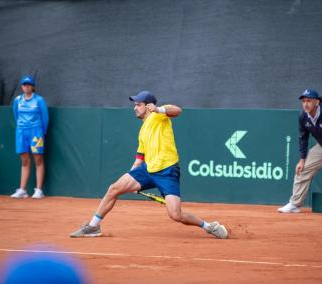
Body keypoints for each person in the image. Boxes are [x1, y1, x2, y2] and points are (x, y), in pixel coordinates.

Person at [70, 90, 228, 239]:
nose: (135, 108)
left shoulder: (158, 116)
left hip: (167, 171)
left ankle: (208, 226)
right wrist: (130, 179)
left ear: (148, 105)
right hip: (147, 170)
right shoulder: (143, 130)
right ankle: (93, 226)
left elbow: (178, 110)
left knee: (176, 215)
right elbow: (139, 159)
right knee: (114, 188)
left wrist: (159, 109)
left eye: (138, 104)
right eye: (135, 105)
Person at [278, 89, 322, 213]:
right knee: (302, 169)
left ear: (317, 102)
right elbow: (303, 138)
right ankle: (295, 204)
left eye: (309, 101)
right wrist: (302, 160)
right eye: (303, 101)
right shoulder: (303, 116)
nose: (305, 104)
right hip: (321, 146)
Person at [10, 76, 49, 199]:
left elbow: (45, 118)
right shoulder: (17, 100)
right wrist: (22, 127)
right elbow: (16, 116)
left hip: (36, 132)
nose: (26, 86)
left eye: (29, 84)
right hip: (21, 132)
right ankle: (22, 190)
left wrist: (42, 133)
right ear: (22, 87)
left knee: (38, 159)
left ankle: (39, 190)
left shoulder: (39, 100)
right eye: (24, 84)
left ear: (33, 87)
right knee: (25, 160)